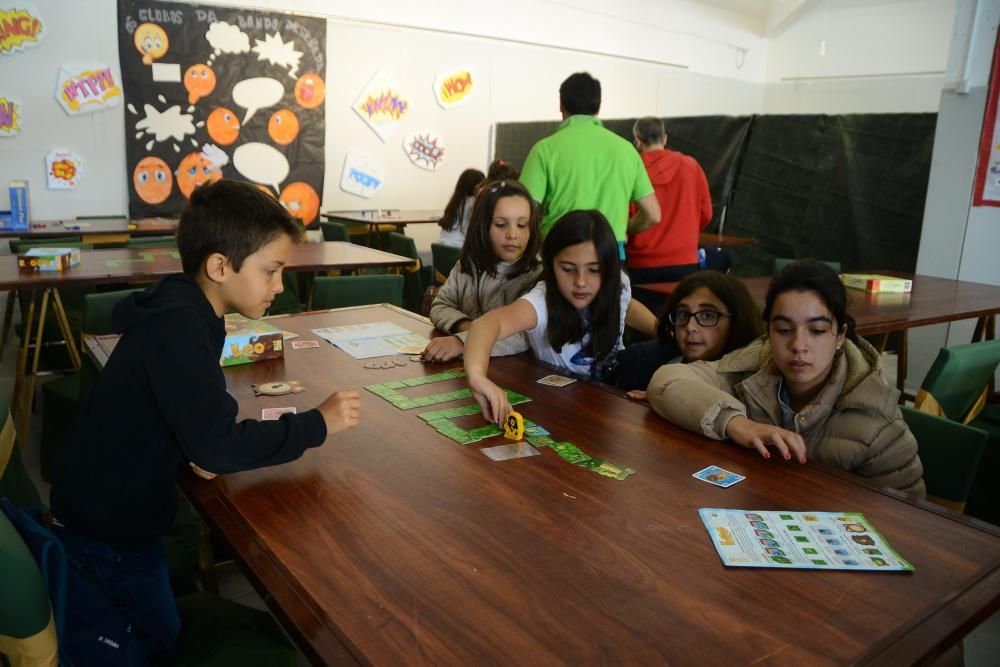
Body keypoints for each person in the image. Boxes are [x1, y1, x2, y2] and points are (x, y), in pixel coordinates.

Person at [49, 180, 363, 661]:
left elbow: (191, 415)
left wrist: (193, 439)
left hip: (102, 506)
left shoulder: (185, 308)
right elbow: (217, 446)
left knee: (157, 621)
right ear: (219, 266)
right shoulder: (180, 327)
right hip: (109, 533)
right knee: (152, 641)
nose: (280, 286)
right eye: (271, 271)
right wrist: (316, 423)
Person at [647, 259, 925, 496]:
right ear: (767, 330)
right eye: (783, 330)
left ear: (840, 335)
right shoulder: (752, 367)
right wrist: (737, 423)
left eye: (816, 330)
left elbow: (908, 522)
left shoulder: (879, 422)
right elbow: (667, 379)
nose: (798, 345)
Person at [464, 210, 657, 423]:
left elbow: (625, 306)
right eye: (567, 269)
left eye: (594, 270)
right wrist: (477, 376)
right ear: (550, 264)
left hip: (616, 393)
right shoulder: (542, 301)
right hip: (563, 405)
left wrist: (660, 328)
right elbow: (487, 325)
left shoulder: (616, 281)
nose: (581, 281)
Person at [519, 72, 661, 258]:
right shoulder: (627, 150)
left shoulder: (544, 149)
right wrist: (625, 228)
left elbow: (522, 210)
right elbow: (653, 215)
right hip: (609, 254)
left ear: (561, 104)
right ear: (598, 107)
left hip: (559, 256)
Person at [426, 180, 543, 362]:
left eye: (522, 225)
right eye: (500, 224)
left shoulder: (537, 275)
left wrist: (463, 342)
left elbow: (524, 336)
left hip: (517, 371)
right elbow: (440, 305)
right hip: (471, 366)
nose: (512, 234)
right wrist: (470, 328)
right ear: (482, 225)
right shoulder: (468, 265)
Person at [614, 271, 762, 395]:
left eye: (708, 315)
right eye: (683, 314)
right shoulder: (641, 361)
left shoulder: (755, 383)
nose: (690, 327)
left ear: (737, 321)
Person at [626, 116, 713, 285]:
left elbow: (625, 219)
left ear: (637, 141)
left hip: (641, 265)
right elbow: (706, 214)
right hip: (685, 262)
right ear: (665, 138)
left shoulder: (632, 170)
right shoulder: (691, 166)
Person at [438, 168, 485, 248]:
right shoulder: (473, 202)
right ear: (475, 186)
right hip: (458, 250)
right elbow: (471, 233)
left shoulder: (456, 200)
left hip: (441, 247)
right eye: (482, 185)